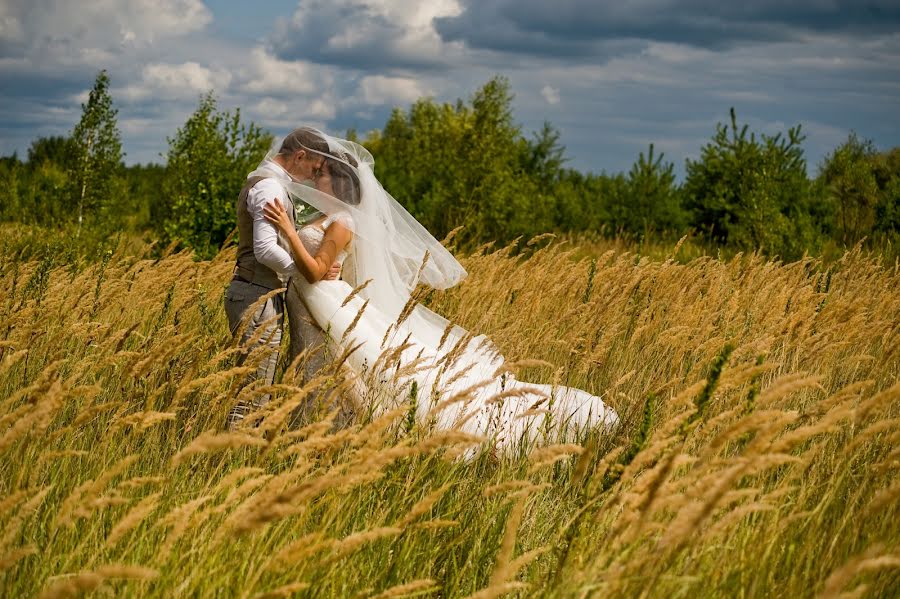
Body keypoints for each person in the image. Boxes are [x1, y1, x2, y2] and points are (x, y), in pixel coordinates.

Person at [255, 128, 619, 453]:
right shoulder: (324, 218)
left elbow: (317, 269)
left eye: (322, 174)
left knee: (369, 370)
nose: (315, 178)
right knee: (339, 371)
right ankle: (323, 436)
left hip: (325, 298)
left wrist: (288, 232)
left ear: (336, 182)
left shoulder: (342, 221)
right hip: (320, 299)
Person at [223, 127, 341, 429]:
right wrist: (304, 272)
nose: (313, 177)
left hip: (258, 294)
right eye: (314, 168)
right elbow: (264, 250)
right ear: (299, 156)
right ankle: (234, 462)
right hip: (256, 295)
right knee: (252, 395)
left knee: (255, 390)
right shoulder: (270, 187)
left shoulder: (268, 183)